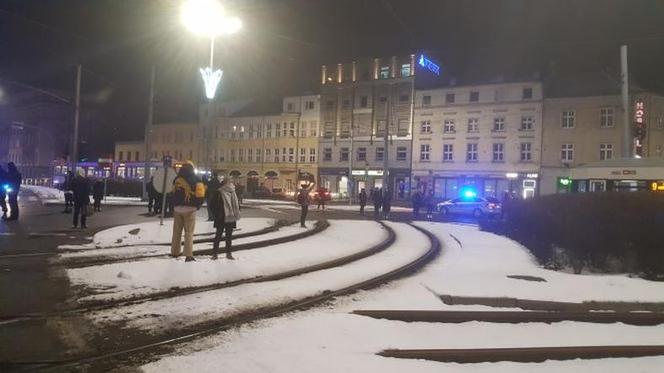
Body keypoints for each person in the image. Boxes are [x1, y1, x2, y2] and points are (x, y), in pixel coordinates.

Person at [170, 163, 205, 262]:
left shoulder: (176, 179)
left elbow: (172, 193)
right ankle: (188, 255)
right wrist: (197, 206)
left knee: (176, 231)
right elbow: (201, 195)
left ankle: (174, 252)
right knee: (189, 232)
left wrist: (174, 205)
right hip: (190, 209)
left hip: (177, 209)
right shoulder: (197, 179)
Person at [210, 176, 241, 260]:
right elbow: (237, 205)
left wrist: (216, 214)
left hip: (222, 217)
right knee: (228, 237)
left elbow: (212, 205)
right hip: (229, 217)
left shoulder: (219, 191)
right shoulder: (233, 192)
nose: (230, 184)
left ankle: (215, 254)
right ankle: (228, 254)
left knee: (218, 236)